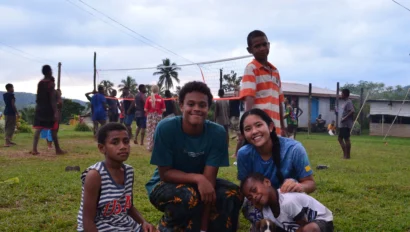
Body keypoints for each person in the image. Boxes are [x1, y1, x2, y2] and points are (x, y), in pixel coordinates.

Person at [145, 81, 243, 232]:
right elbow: (165, 174)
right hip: (164, 184)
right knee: (188, 196)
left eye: (202, 105)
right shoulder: (166, 128)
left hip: (201, 184)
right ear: (181, 105)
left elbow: (208, 182)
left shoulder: (217, 133)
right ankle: (167, 228)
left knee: (232, 193)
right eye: (191, 104)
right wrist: (198, 178)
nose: (196, 109)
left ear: (208, 108)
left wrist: (202, 229)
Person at [237, 108, 316, 230]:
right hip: (261, 203)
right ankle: (262, 226)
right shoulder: (243, 154)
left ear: (270, 127)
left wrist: (299, 186)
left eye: (258, 125)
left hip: (288, 201)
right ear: (244, 135)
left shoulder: (294, 149)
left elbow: (310, 183)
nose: (254, 131)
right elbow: (244, 189)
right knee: (247, 204)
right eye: (248, 129)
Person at [76, 123, 157, 232]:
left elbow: (128, 206)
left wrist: (143, 222)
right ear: (102, 148)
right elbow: (87, 220)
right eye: (115, 142)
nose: (123, 146)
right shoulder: (95, 175)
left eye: (126, 141)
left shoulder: (129, 171)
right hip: (100, 228)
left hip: (124, 225)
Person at [241, 173, 334, 232]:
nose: (254, 196)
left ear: (267, 182)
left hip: (321, 222)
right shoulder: (266, 211)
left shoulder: (287, 201)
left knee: (309, 229)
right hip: (295, 227)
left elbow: (303, 224)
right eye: (250, 197)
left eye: (254, 190)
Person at [240, 30, 287, 137]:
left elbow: (280, 101)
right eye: (257, 46)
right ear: (250, 50)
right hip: (259, 128)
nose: (262, 48)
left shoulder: (275, 71)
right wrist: (248, 125)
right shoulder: (251, 69)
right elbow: (249, 98)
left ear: (269, 45)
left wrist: (283, 128)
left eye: (264, 44)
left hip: (275, 128)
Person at [31, 65, 65, 155]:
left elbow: (38, 98)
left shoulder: (40, 83)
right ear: (49, 72)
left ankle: (34, 149)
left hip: (40, 108)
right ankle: (57, 149)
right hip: (49, 109)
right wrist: (55, 112)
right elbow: (52, 99)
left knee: (38, 129)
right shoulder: (50, 84)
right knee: (54, 129)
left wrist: (39, 106)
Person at [144, 85, 165, 151]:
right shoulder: (161, 99)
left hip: (150, 116)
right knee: (157, 131)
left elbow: (145, 109)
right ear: (158, 90)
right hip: (158, 116)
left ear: (151, 90)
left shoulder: (149, 98)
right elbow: (164, 109)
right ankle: (157, 147)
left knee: (150, 131)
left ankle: (150, 147)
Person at [338, 89, 355, 159]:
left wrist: (344, 118)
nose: (341, 95)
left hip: (346, 124)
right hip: (343, 124)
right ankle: (346, 155)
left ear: (345, 94)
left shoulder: (349, 102)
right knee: (340, 139)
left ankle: (347, 156)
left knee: (346, 139)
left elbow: (352, 111)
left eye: (342, 94)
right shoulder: (345, 102)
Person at [229, 87, 242, 158]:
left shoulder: (238, 98)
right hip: (233, 117)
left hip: (236, 117)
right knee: (239, 136)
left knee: (240, 137)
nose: (236, 92)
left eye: (237, 91)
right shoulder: (232, 98)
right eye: (235, 91)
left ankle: (236, 154)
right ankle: (236, 154)